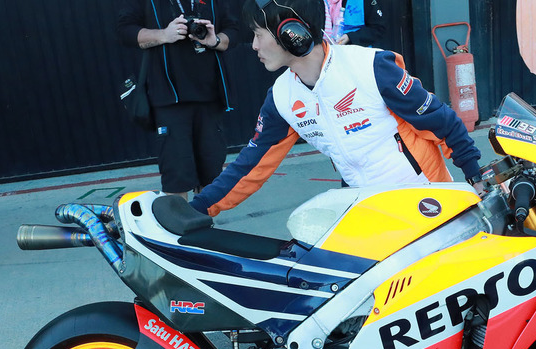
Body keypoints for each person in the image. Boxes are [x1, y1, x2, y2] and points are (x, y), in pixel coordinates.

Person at [190, 0, 481, 217]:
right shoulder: (281, 98)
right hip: (366, 212)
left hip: (428, 203)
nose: (253, 45)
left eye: (258, 34)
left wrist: (476, 179)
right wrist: (197, 210)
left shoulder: (371, 67)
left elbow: (444, 122)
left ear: (290, 33)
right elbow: (249, 167)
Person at [117, 0, 241, 200]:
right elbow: (125, 31)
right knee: (177, 174)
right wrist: (164, 35)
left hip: (210, 98)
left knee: (211, 174)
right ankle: (179, 230)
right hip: (169, 100)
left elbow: (233, 30)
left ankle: (205, 227)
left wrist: (215, 40)